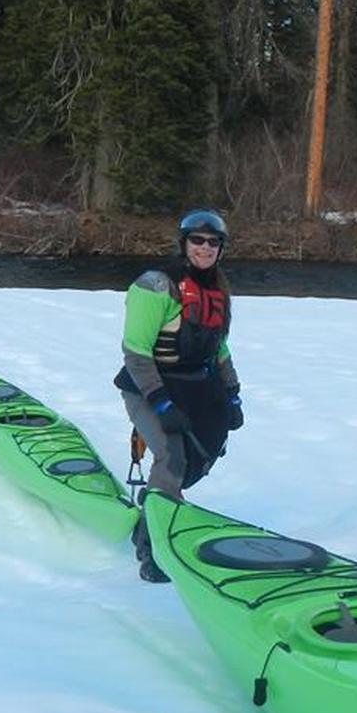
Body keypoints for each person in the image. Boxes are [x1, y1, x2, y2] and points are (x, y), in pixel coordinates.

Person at [114, 208, 244, 582]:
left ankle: (163, 498)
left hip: (195, 386)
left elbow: (218, 348)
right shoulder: (156, 286)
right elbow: (136, 352)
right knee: (171, 456)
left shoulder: (217, 289)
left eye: (213, 242)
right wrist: (161, 403)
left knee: (200, 455)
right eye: (197, 240)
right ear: (184, 243)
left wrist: (232, 394)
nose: (205, 248)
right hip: (147, 387)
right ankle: (150, 546)